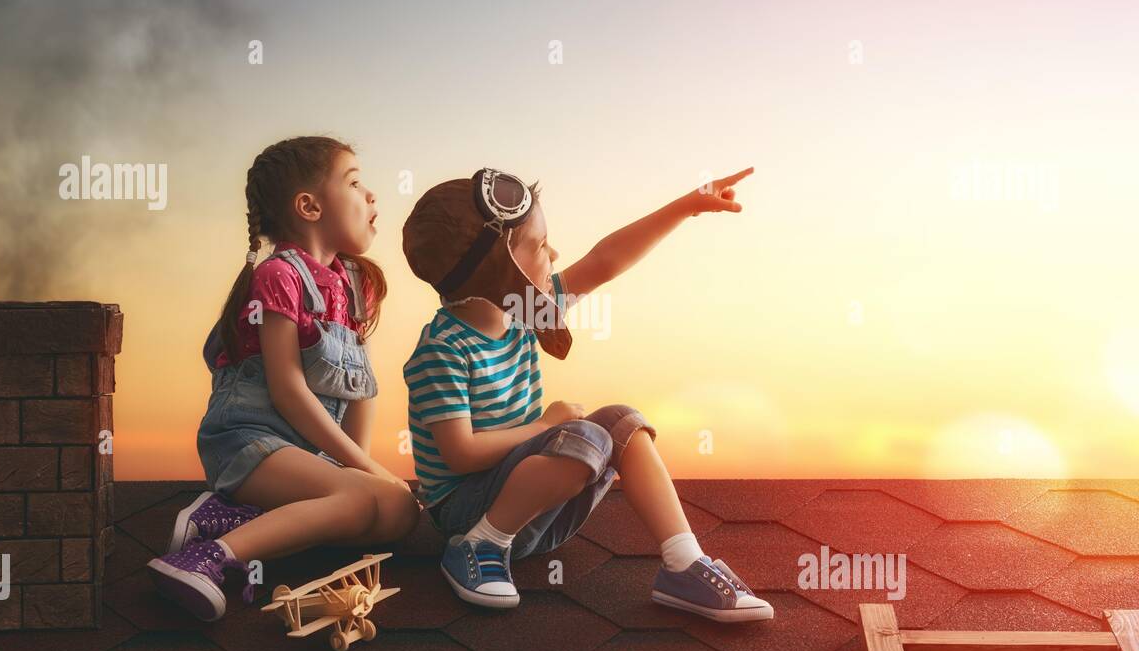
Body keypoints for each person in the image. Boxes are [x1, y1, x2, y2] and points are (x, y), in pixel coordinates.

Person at [400, 166, 771, 622]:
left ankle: (684, 561)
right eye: (539, 246)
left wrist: (688, 206)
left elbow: (604, 260)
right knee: (586, 438)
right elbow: (460, 455)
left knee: (623, 422)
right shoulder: (443, 350)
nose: (553, 254)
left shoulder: (525, 309)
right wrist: (543, 426)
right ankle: (477, 548)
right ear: (501, 268)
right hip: (467, 514)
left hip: (536, 514)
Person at [148, 136, 419, 621]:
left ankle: (234, 519)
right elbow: (288, 391)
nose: (372, 195)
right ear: (309, 206)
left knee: (399, 512)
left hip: (309, 455)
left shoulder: (359, 285)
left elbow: (360, 390)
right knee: (365, 498)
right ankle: (207, 559)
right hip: (249, 442)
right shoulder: (280, 275)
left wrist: (362, 470)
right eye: (355, 182)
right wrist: (364, 475)